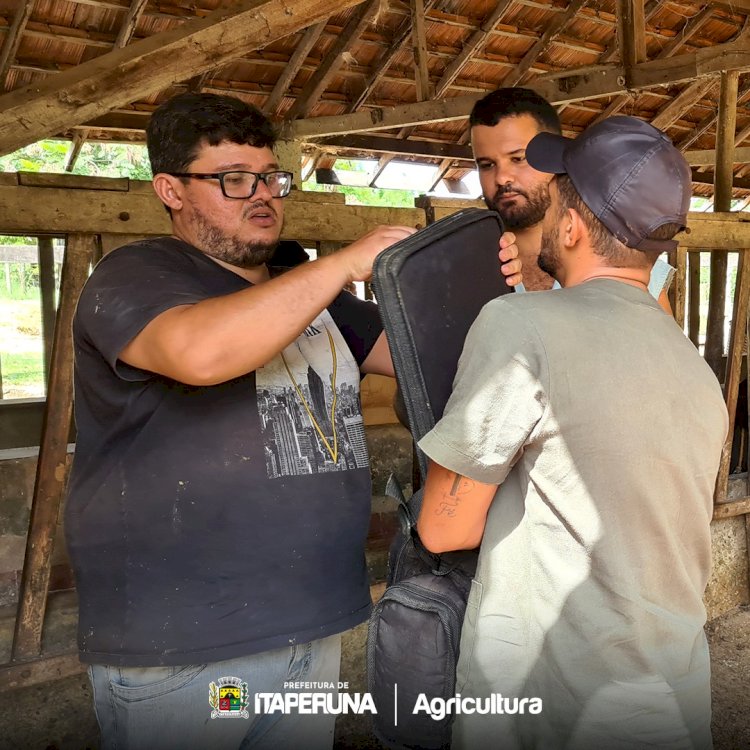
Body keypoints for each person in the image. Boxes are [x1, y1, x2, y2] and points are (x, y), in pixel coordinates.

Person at [64, 92, 521, 750]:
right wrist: (339, 265)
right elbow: (200, 353)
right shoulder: (136, 275)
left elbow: (442, 355)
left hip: (311, 625)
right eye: (232, 180)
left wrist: (494, 279)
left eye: (271, 179)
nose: (262, 195)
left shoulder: (316, 299)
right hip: (190, 646)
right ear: (170, 190)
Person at [416, 116, 727, 749]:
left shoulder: (519, 328)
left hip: (556, 700)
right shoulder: (693, 367)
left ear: (572, 225)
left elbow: (444, 528)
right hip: (671, 691)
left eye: (557, 189)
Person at [470, 87, 675, 312]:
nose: (501, 178)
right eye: (487, 165)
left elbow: (663, 346)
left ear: (553, 158)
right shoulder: (467, 269)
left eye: (518, 158)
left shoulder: (629, 267)